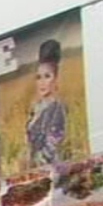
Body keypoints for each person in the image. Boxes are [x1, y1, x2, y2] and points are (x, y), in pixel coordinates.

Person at [26, 38, 66, 167]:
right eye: (38, 77)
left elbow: (55, 138)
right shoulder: (35, 107)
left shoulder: (56, 106)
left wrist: (40, 161)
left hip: (49, 168)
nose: (42, 82)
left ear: (55, 79)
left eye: (47, 76)